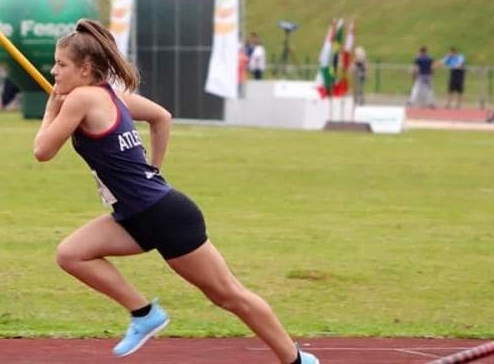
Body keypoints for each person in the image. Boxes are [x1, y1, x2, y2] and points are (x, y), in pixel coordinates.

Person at [32, 19, 318, 363]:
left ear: (86, 68)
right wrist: (155, 170)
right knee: (71, 254)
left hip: (164, 215)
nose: (53, 71)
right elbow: (162, 117)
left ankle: (297, 360)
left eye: (61, 64)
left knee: (229, 296)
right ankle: (143, 313)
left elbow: (42, 151)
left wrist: (51, 110)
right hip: (135, 215)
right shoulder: (113, 96)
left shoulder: (80, 99)